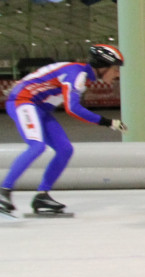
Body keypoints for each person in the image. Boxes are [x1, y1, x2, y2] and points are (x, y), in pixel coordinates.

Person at [1, 44, 127, 216]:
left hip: (39, 107)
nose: (117, 73)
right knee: (37, 146)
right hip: (22, 101)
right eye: (115, 69)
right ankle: (3, 191)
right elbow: (72, 108)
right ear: (102, 66)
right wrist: (107, 122)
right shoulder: (78, 74)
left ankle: (42, 196)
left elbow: (47, 77)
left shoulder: (82, 75)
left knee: (65, 150)